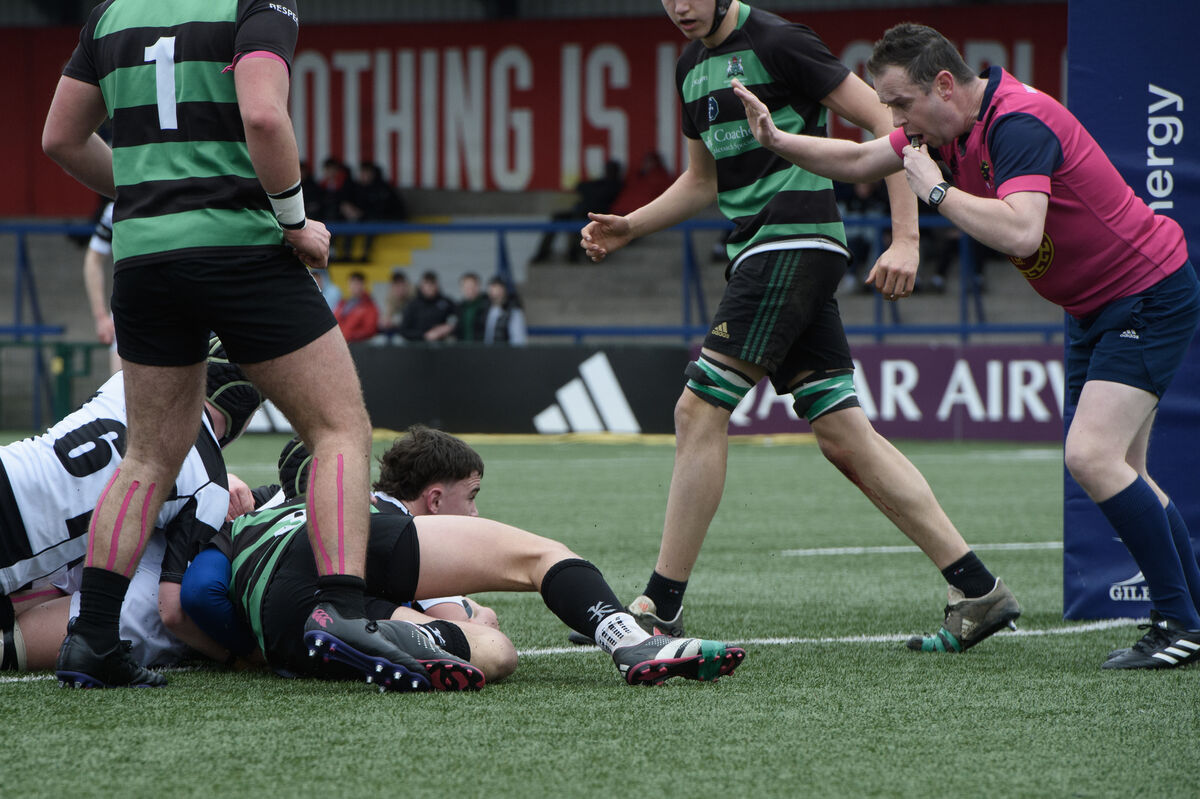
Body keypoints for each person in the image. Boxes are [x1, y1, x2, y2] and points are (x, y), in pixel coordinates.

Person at [732, 21, 1200, 669]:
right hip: (1095, 305)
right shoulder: (941, 130)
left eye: (899, 103)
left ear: (944, 86)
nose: (893, 119)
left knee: (1093, 456)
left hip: (1145, 292)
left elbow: (1020, 232)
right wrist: (776, 139)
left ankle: (1179, 621)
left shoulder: (1017, 123)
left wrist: (935, 192)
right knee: (1126, 467)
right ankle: (1189, 615)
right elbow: (862, 159)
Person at [580, 0, 1021, 654]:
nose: (678, 5)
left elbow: (885, 121)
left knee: (698, 408)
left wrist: (906, 237)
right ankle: (976, 588)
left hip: (791, 241)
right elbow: (704, 181)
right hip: (763, 248)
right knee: (844, 435)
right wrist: (631, 226)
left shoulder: (779, 40)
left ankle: (660, 607)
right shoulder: (690, 66)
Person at [42, 0, 427, 690]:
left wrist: (151, 193)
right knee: (339, 427)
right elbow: (263, 115)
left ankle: (92, 637)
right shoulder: (253, 3)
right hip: (239, 249)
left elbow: (61, 139)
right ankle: (339, 613)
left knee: (148, 455)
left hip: (144, 260)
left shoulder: (109, 14)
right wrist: (295, 219)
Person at [179, 434, 746, 689]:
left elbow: (198, 593)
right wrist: (469, 613)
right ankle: (631, 640)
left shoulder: (245, 513)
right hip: (341, 556)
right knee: (538, 556)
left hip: (287, 628)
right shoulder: (364, 508)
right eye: (471, 497)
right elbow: (471, 609)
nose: (474, 514)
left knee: (494, 656)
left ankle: (392, 652)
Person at [0, 343, 262, 673]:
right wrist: (237, 656)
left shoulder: (125, 383)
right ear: (245, 412)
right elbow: (172, 611)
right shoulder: (207, 485)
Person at [531, 159, 624, 264]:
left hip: (597, 216)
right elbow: (581, 186)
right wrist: (591, 191)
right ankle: (543, 253)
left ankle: (573, 253)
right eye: (607, 169)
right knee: (558, 217)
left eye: (611, 170)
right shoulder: (601, 182)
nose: (608, 172)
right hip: (583, 212)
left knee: (577, 218)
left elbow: (598, 196)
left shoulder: (616, 185)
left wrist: (591, 192)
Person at [81, 200, 121, 374]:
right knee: (122, 395)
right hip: (130, 316)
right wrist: (101, 317)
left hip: (180, 314)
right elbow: (93, 259)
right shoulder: (117, 207)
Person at [610, 151, 674, 217]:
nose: (647, 164)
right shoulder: (636, 177)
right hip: (623, 212)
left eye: (650, 162)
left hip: (643, 215)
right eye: (646, 161)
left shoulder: (661, 178)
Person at [399, 271, 457, 343]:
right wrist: (424, 335)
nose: (429, 287)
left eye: (432, 283)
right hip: (417, 347)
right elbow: (404, 330)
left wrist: (448, 327)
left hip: (441, 345)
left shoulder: (446, 302)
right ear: (421, 285)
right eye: (427, 284)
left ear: (436, 285)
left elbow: (459, 317)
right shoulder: (413, 305)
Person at [333, 271, 380, 343]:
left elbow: (369, 330)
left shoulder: (369, 306)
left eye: (356, 283)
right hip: (340, 343)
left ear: (363, 285)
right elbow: (334, 321)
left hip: (356, 346)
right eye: (351, 283)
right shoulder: (343, 303)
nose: (353, 286)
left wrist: (349, 336)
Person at [483, 277, 528, 345]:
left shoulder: (514, 311)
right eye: (492, 288)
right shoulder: (486, 310)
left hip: (506, 353)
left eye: (498, 288)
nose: (495, 292)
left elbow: (518, 340)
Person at [454, 273, 489, 342]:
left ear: (478, 286)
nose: (469, 290)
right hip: (463, 348)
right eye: (466, 287)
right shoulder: (460, 307)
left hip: (482, 348)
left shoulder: (487, 305)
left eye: (472, 286)